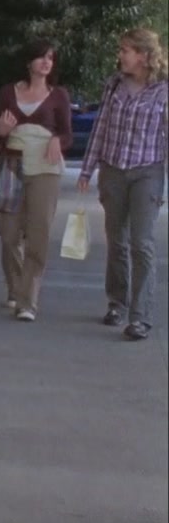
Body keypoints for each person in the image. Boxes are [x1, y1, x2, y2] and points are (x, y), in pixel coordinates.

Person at [77, 28, 168, 341]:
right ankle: (117, 303)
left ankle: (140, 317)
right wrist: (87, 170)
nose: (121, 55)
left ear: (143, 55)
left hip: (147, 172)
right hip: (113, 170)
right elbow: (101, 128)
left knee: (142, 243)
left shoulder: (163, 90)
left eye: (126, 50)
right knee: (117, 240)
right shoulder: (114, 85)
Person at [0, 39, 72, 322]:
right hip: (13, 168)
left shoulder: (58, 95)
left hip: (46, 170)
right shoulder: (7, 93)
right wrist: (1, 132)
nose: (47, 62)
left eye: (50, 57)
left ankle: (28, 301)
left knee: (39, 234)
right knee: (8, 234)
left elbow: (67, 134)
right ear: (28, 62)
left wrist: (58, 140)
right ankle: (15, 287)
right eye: (41, 57)